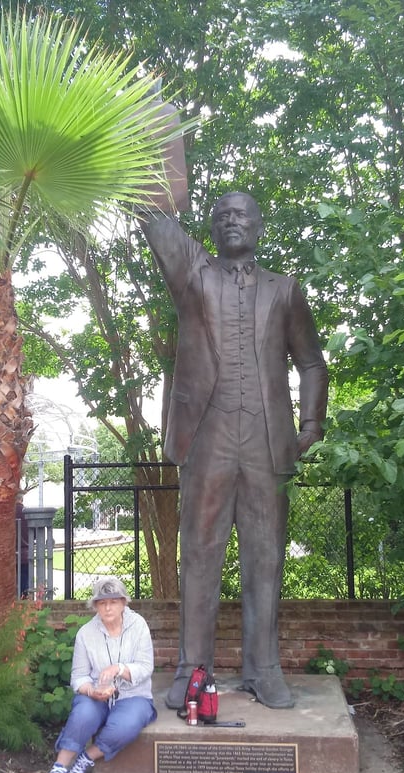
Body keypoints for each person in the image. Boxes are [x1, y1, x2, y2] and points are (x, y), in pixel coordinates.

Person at [140, 191, 329, 710]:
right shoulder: (195, 279)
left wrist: (311, 423)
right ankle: (191, 670)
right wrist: (145, 160)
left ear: (259, 225)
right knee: (199, 553)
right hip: (208, 435)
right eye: (222, 216)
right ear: (213, 228)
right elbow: (157, 221)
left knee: (264, 557)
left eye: (241, 214)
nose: (231, 221)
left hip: (267, 439)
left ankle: (263, 670)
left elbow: (312, 362)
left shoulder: (285, 290)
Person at [40, 576, 157, 773]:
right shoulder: (86, 633)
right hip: (97, 694)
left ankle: (86, 758)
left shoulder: (138, 626)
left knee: (127, 724)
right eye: (102, 603)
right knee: (83, 713)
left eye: (113, 601)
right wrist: (91, 691)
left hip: (133, 695)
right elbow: (78, 676)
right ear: (95, 606)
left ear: (124, 603)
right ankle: (59, 768)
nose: (108, 607)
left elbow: (145, 667)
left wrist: (119, 668)